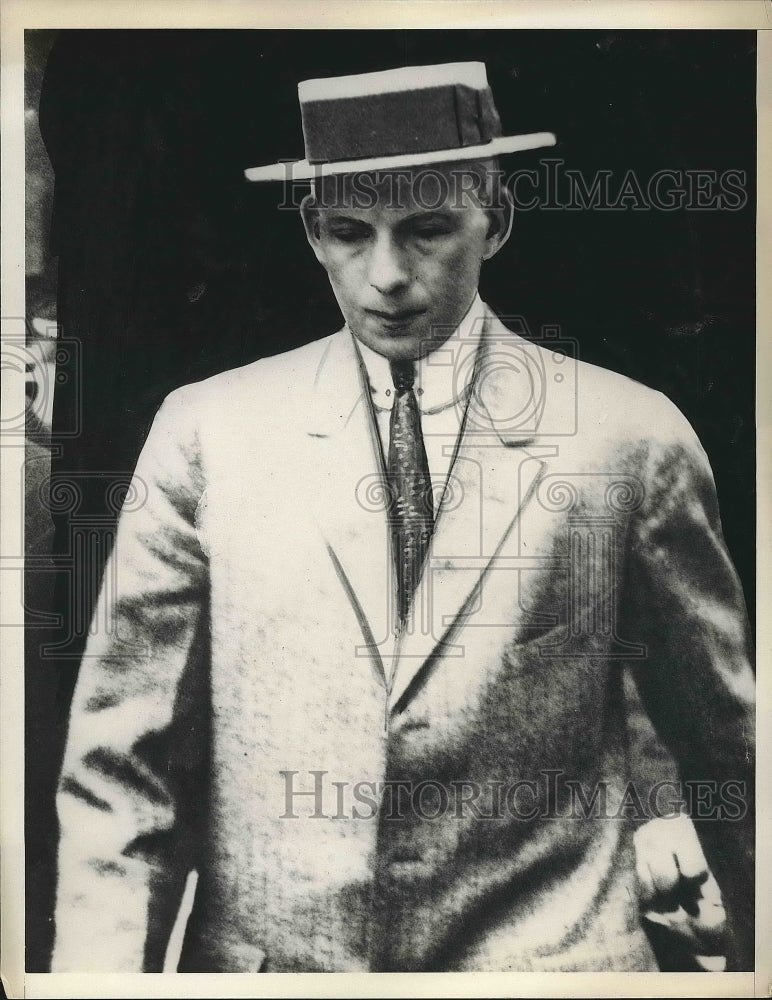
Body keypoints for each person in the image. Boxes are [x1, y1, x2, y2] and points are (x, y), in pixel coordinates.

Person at [52, 61, 754, 973]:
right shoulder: (206, 434)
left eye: (427, 229)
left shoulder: (630, 438)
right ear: (310, 231)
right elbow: (120, 775)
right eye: (350, 232)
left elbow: (730, 752)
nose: (387, 275)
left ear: (495, 221)